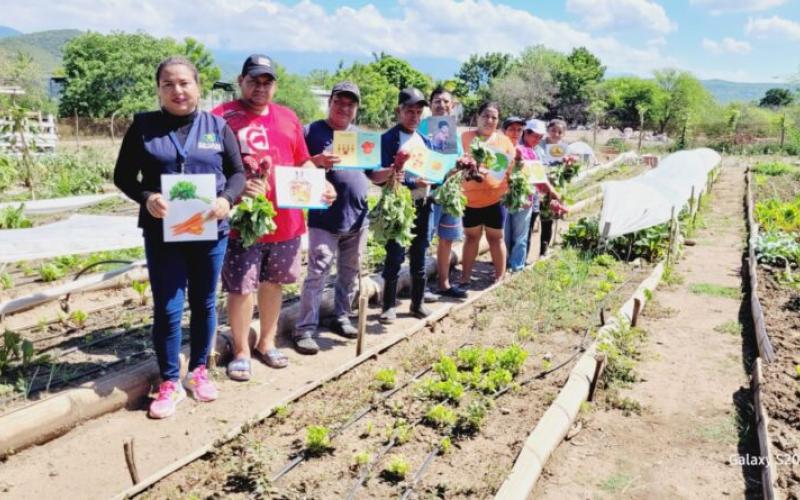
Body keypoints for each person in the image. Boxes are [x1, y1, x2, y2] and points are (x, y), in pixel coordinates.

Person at [114, 56, 246, 419]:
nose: (177, 90)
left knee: (204, 303)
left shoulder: (217, 127)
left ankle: (200, 370)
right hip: (163, 233)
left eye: (184, 83)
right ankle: (170, 381)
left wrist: (226, 199)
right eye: (168, 84)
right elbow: (124, 176)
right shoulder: (144, 127)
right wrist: (147, 197)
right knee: (168, 308)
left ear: (197, 87)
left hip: (209, 232)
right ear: (158, 89)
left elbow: (237, 174)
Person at [212, 54, 336, 378]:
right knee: (240, 287)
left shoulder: (288, 117)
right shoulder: (221, 117)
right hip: (243, 223)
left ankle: (266, 342)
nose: (260, 87)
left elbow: (303, 161)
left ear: (275, 86)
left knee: (273, 283)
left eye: (267, 82)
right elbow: (209, 166)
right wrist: (232, 192)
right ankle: (240, 350)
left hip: (286, 223)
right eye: (254, 80)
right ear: (241, 81)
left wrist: (320, 184)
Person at [294, 81, 389, 350]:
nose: (344, 107)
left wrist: (393, 170)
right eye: (339, 101)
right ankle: (304, 329)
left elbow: (376, 176)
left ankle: (341, 316)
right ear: (330, 102)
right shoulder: (311, 131)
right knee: (318, 271)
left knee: (349, 272)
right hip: (323, 218)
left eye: (350, 104)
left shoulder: (362, 138)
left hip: (358, 218)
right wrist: (317, 161)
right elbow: (296, 166)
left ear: (356, 109)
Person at [376, 87, 437, 323]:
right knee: (395, 255)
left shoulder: (425, 141)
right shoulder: (388, 139)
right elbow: (381, 176)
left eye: (418, 112)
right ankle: (388, 306)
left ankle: (417, 303)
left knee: (420, 254)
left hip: (423, 204)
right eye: (409, 111)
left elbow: (433, 171)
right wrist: (413, 182)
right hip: (398, 207)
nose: (414, 116)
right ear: (399, 111)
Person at [459, 102, 515, 286]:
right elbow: (455, 163)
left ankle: (500, 277)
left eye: (494, 117)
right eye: (485, 116)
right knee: (471, 238)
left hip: (496, 199)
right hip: (470, 200)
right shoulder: (465, 137)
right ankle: (465, 277)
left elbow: (512, 167)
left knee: (496, 238)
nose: (489, 120)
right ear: (477, 116)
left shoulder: (504, 141)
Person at [418, 87, 466, 299]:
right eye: (437, 101)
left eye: (446, 101)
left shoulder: (454, 131)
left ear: (452, 105)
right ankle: (421, 286)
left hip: (450, 192)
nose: (441, 105)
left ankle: (444, 283)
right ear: (430, 105)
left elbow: (459, 160)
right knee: (424, 239)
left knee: (446, 238)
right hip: (429, 191)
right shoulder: (421, 127)